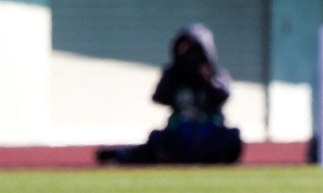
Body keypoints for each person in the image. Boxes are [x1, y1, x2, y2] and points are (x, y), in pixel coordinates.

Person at [97, 25, 242, 166]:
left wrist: (207, 78)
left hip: (210, 135)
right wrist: (174, 73)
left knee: (233, 138)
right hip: (180, 136)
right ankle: (122, 156)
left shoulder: (218, 76)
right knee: (156, 139)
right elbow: (158, 97)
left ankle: (214, 160)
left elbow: (223, 95)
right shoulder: (174, 76)